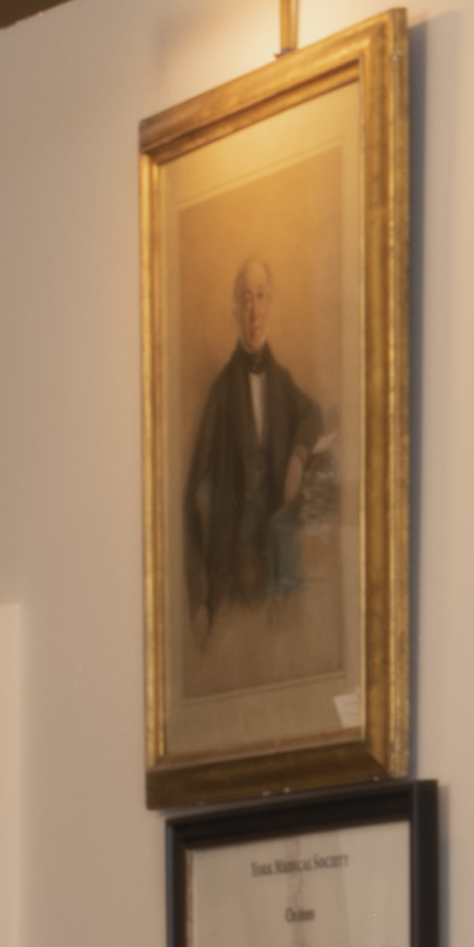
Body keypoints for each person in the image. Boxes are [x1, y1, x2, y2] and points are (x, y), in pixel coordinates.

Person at [176, 263, 327, 662]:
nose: (254, 310)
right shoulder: (221, 394)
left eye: (261, 297)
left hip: (275, 569)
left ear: (270, 304)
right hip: (232, 574)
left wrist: (296, 458)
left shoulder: (281, 383)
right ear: (235, 310)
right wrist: (199, 598)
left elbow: (313, 415)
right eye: (246, 299)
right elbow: (190, 500)